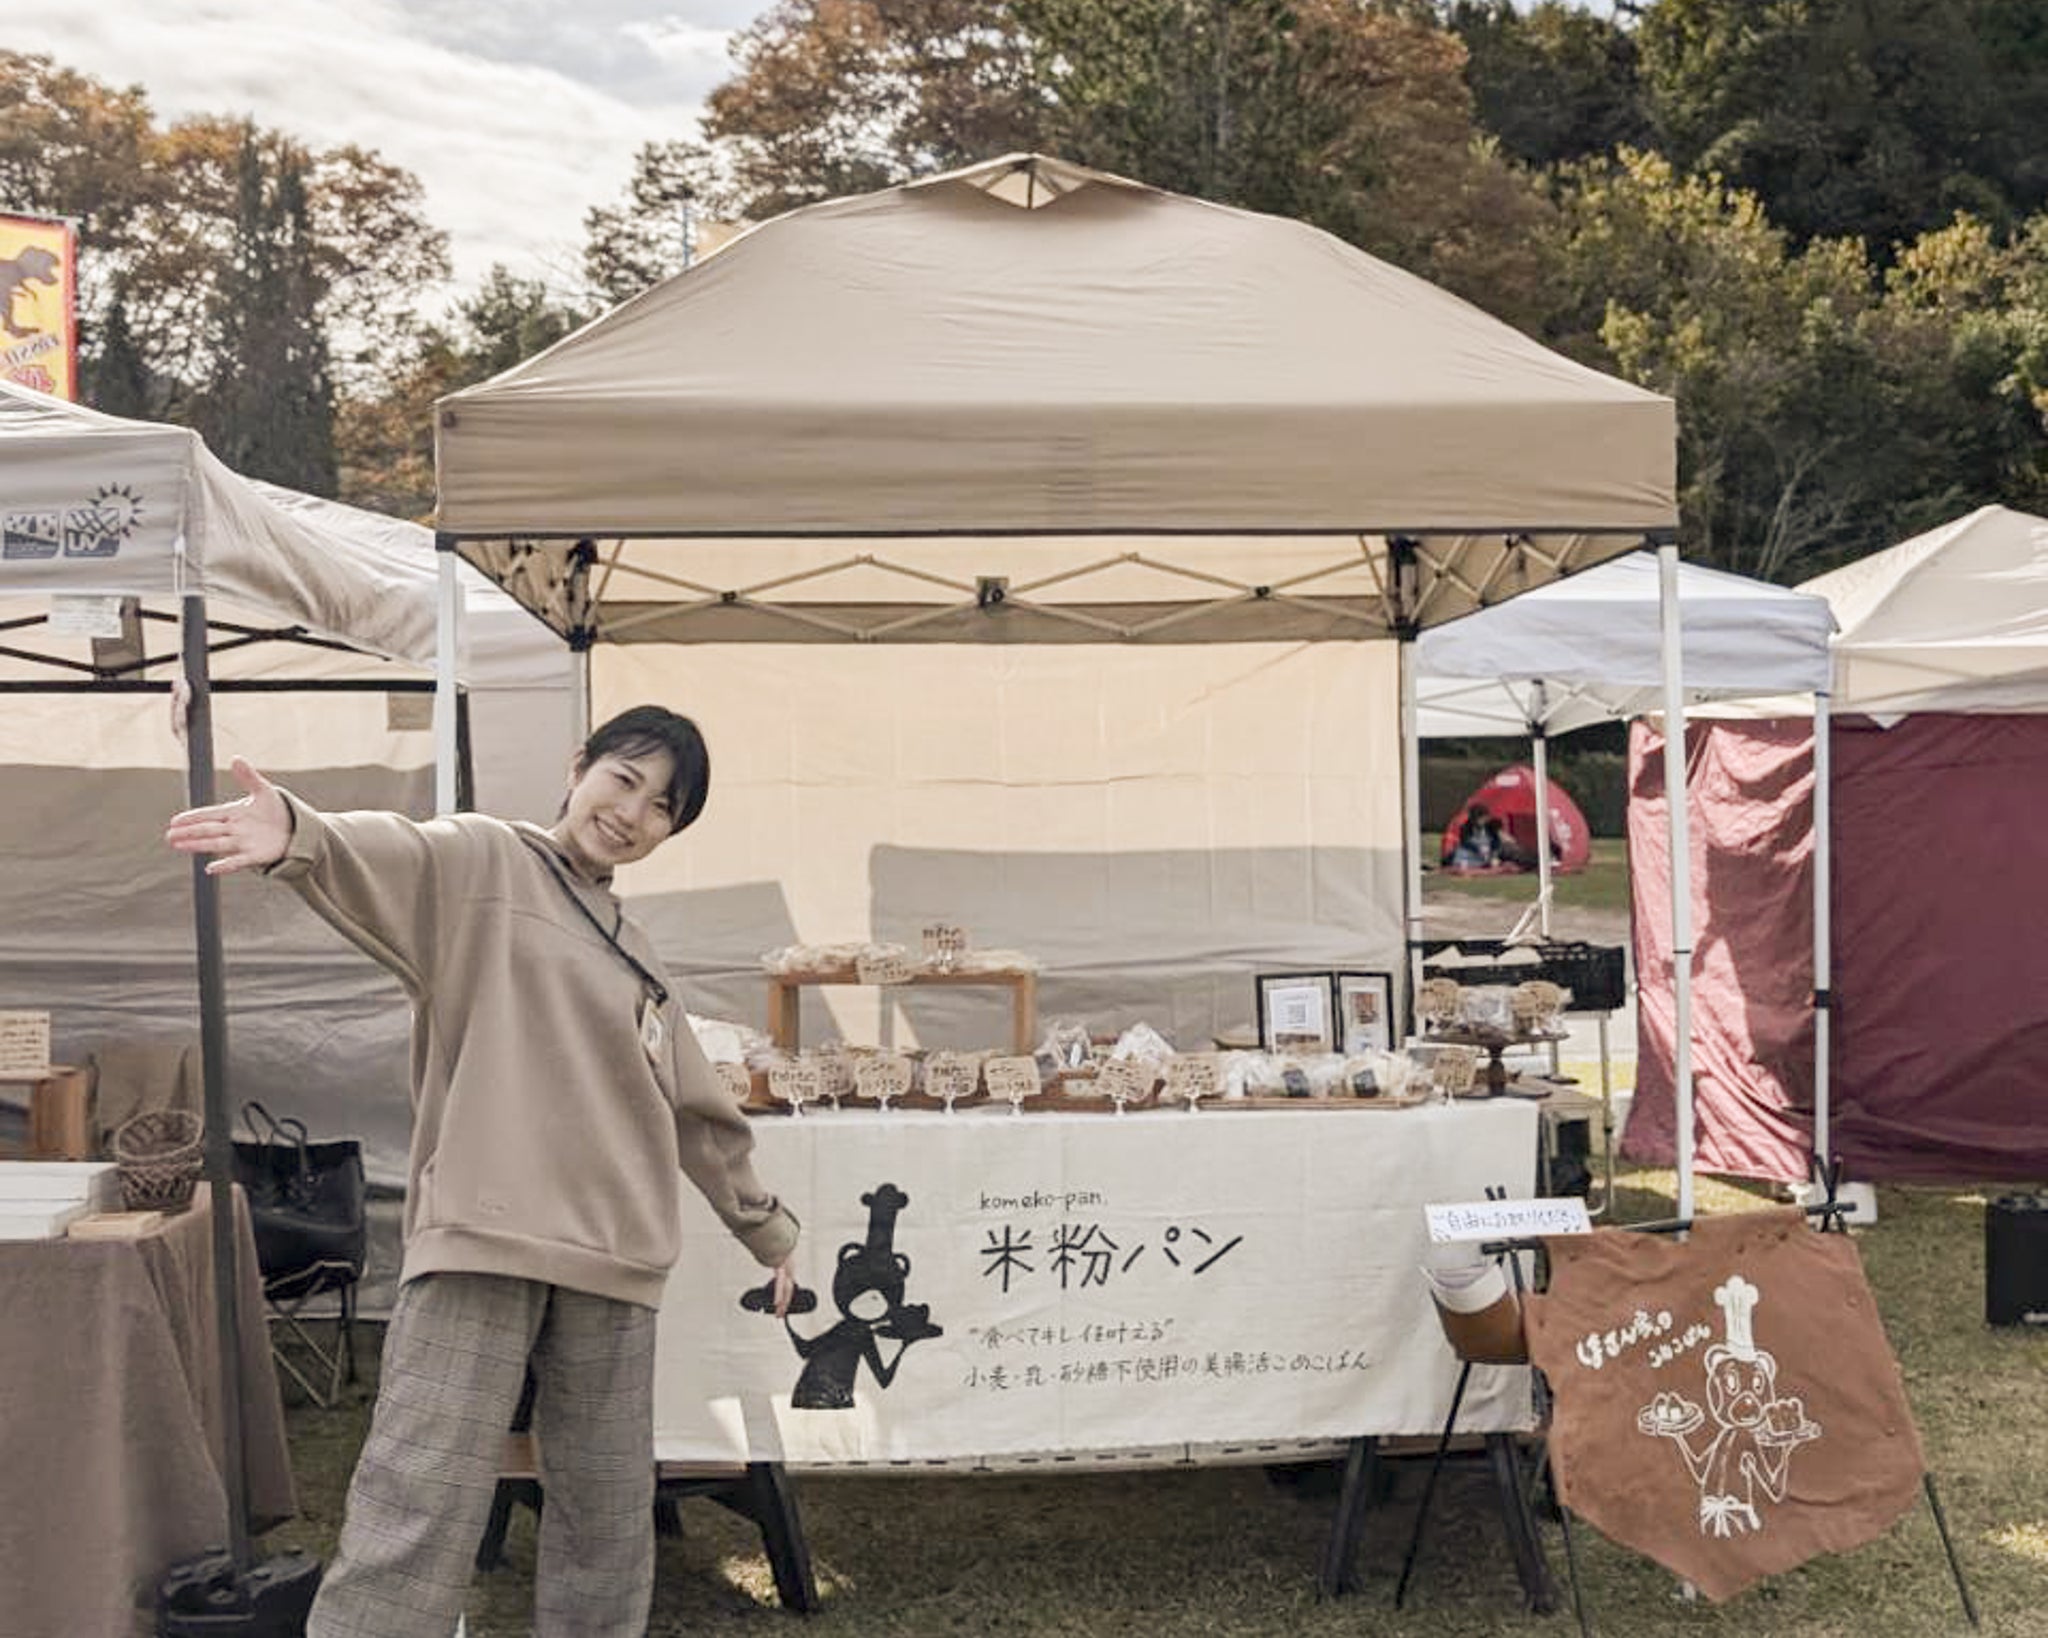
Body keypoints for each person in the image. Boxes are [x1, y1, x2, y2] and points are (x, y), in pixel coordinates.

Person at [165, 703, 800, 1638]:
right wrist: (298, 832)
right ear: (579, 767)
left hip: (616, 1259)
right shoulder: (487, 861)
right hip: (484, 1237)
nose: (632, 813)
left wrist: (765, 1228)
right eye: (624, 780)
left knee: (607, 1521)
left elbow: (693, 1108)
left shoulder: (636, 951)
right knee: (418, 1496)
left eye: (663, 807)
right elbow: (400, 851)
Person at [1446, 802, 1500, 870]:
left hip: (1485, 855)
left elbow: (1496, 841)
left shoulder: (1490, 827)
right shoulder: (1466, 827)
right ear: (1475, 818)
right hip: (1468, 853)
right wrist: (1478, 849)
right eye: (1482, 818)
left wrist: (1494, 853)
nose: (1485, 820)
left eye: (1486, 818)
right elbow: (1465, 842)